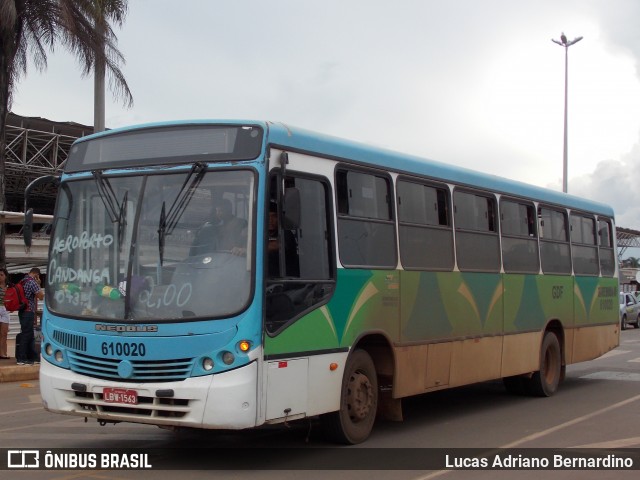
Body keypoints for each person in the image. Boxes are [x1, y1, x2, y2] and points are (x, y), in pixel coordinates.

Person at [16, 267, 44, 365]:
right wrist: (39, 284)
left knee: (29, 335)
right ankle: (21, 358)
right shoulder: (32, 282)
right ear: (36, 275)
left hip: (22, 311)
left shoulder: (22, 281)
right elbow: (40, 297)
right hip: (28, 311)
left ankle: (33, 357)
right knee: (26, 335)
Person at [0, 268, 10, 359]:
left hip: (5, 309)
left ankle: (2, 353)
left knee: (4, 333)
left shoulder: (8, 287)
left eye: (2, 275)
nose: (0, 277)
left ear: (5, 276)